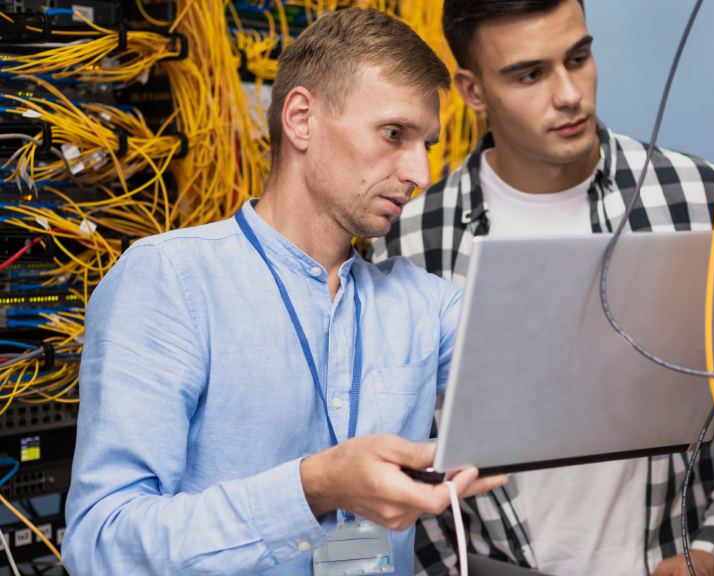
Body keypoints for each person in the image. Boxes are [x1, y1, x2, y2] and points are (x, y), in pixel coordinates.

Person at [368, 1, 714, 575]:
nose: (569, 93)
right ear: (472, 91)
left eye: (578, 58)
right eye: (530, 74)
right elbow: (397, 463)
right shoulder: (411, 238)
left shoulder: (692, 194)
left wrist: (713, 550)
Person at [62, 9, 505, 576]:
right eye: (394, 134)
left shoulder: (424, 305)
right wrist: (313, 488)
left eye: (427, 143)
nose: (420, 171)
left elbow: (557, 372)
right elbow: (102, 542)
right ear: (300, 119)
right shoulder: (171, 281)